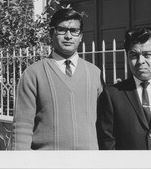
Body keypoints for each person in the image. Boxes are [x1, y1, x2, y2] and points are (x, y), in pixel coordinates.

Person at [11, 8, 104, 150]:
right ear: (51, 33)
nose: (68, 36)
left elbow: (104, 125)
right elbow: (22, 127)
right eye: (61, 30)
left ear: (81, 36)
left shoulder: (95, 73)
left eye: (74, 30)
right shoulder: (33, 74)